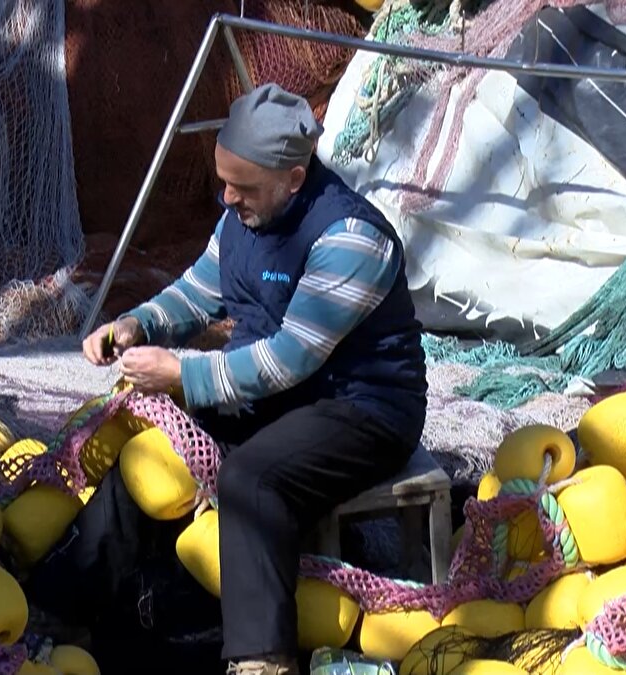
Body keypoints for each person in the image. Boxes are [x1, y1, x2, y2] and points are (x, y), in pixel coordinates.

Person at [29, 83, 428, 675]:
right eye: (223, 181)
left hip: (362, 408)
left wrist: (182, 372)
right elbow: (198, 291)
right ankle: (60, 602)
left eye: (241, 187)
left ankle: (261, 658)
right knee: (153, 450)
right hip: (281, 395)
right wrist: (138, 323)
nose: (226, 197)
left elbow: (288, 360)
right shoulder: (242, 216)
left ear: (293, 178)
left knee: (253, 478)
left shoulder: (352, 239)